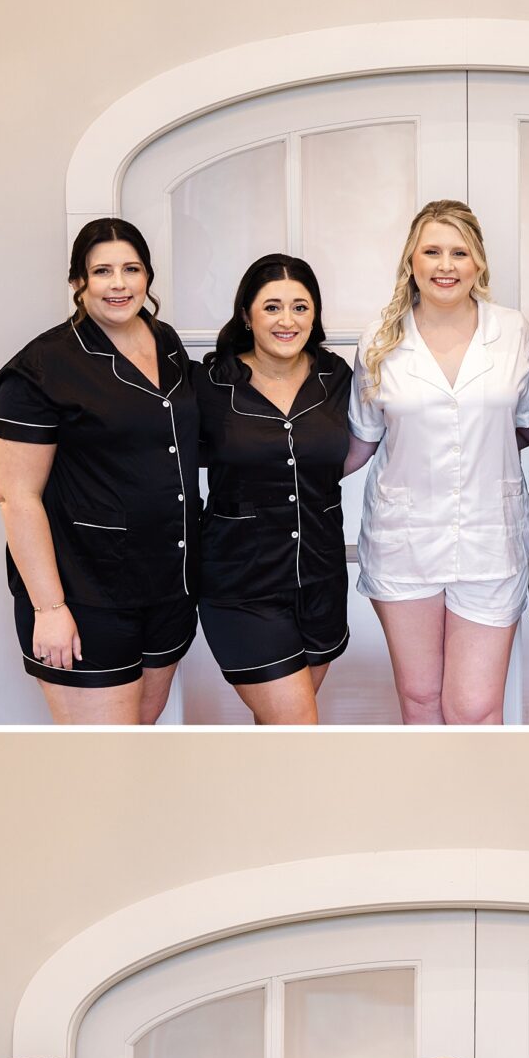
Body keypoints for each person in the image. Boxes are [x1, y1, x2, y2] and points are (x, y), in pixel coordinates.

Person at [0, 216, 201, 724]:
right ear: (77, 282)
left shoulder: (166, 342)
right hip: (85, 596)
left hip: (168, 590)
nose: (119, 284)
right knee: (101, 763)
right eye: (102, 271)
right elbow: (16, 497)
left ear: (148, 278)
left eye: (131, 269)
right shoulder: (40, 369)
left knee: (137, 748)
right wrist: (49, 609)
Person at [348, 201, 529, 723]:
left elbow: (527, 423)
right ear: (411, 260)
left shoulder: (513, 332)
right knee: (419, 699)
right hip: (404, 539)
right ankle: (428, 807)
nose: (445, 265)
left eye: (459, 252)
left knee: (475, 707)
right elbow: (363, 439)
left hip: (489, 540)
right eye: (432, 251)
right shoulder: (379, 339)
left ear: (479, 262)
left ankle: (483, 808)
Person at [197, 252, 358, 724]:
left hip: (321, 579)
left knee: (279, 734)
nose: (287, 320)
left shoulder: (336, 378)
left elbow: (363, 446)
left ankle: (260, 800)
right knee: (298, 730)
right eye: (272, 307)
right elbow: (167, 452)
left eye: (300, 307)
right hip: (241, 583)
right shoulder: (210, 383)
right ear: (246, 314)